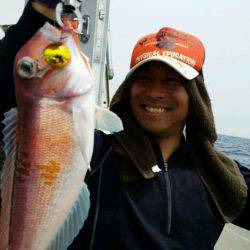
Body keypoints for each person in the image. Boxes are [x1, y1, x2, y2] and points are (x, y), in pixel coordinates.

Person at [0, 1, 249, 249]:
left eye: (172, 81)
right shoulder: (96, 153)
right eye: (143, 79)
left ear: (195, 96)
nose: (155, 92)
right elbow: (22, 102)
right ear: (128, 89)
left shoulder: (223, 176)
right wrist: (40, 11)